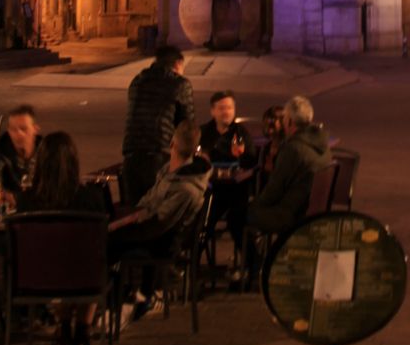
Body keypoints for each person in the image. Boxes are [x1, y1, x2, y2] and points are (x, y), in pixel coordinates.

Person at [13, 129, 105, 345]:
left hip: (36, 280)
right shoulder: (90, 198)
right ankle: (83, 330)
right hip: (83, 281)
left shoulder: (26, 201)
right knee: (89, 258)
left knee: (57, 259)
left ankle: (63, 328)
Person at [110, 120, 209, 319]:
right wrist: (131, 215)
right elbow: (149, 201)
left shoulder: (186, 188)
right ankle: (129, 296)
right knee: (111, 235)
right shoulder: (170, 170)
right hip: (155, 231)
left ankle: (120, 302)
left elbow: (160, 221)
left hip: (164, 241)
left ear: (172, 143)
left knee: (110, 243)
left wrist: (129, 221)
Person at [246, 94, 332, 244]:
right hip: (314, 210)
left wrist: (255, 204)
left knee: (237, 214)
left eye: (284, 119)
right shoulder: (324, 147)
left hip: (291, 213)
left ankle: (256, 265)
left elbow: (274, 188)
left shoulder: (293, 149)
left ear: (290, 121)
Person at [121, 44, 194, 203]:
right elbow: (187, 126)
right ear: (177, 64)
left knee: (133, 214)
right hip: (159, 157)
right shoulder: (180, 84)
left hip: (130, 157)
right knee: (157, 211)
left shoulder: (137, 81)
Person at [199, 92, 258, 267]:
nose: (226, 112)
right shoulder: (204, 133)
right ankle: (190, 265)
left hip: (235, 190)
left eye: (230, 108)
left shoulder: (240, 133)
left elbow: (251, 162)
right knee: (202, 222)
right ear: (213, 111)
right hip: (210, 190)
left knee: (237, 222)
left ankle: (253, 267)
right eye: (222, 108)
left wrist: (241, 160)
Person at [0, 104, 43, 195]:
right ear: (8, 131)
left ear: (35, 129)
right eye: (13, 129)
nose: (19, 134)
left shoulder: (47, 152)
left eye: (24, 129)